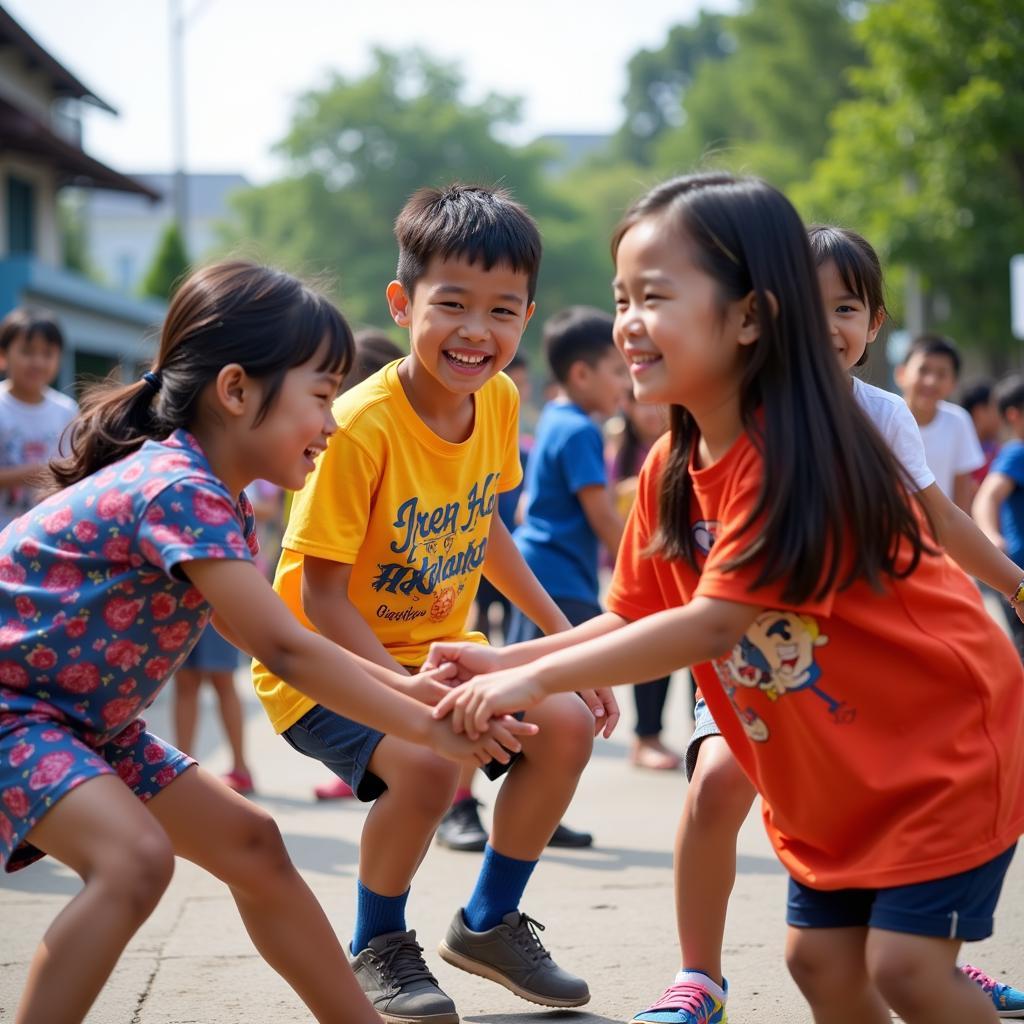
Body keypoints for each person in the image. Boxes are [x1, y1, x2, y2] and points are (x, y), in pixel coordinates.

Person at [426, 174, 1024, 1024]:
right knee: (819, 962)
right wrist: (507, 656)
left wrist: (524, 685)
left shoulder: (792, 455)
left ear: (751, 316)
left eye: (656, 296)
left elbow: (714, 623)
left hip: (943, 752)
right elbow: (632, 613)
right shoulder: (672, 467)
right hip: (839, 772)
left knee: (907, 969)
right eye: (621, 297)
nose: (628, 321)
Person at [0, 260, 529, 1024]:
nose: (335, 421)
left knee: (252, 844)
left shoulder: (213, 497)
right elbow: (284, 649)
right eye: (321, 395)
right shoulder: (178, 488)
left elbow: (281, 642)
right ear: (238, 390)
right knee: (134, 862)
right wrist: (431, 722)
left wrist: (416, 695)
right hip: (18, 710)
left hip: (84, 724)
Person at [252, 184, 617, 1022]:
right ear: (401, 301)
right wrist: (420, 702)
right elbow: (322, 596)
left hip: (438, 651)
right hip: (323, 661)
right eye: (451, 304)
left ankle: (488, 924)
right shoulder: (360, 426)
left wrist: (566, 650)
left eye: (503, 311)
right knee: (425, 760)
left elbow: (485, 524)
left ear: (527, 317)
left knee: (563, 723)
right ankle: (377, 942)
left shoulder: (500, 402)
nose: (476, 332)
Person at [312, 328, 406, 803]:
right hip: (348, 631)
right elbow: (289, 640)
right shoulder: (340, 449)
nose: (331, 424)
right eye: (321, 401)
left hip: (383, 628)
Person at [607, 394, 678, 770]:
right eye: (640, 403)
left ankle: (709, 732)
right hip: (647, 565)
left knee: (706, 662)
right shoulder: (624, 450)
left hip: (687, 565)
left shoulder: (690, 440)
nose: (652, 410)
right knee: (654, 654)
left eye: (657, 403)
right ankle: (645, 736)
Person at [0, 308, 78, 530]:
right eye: (27, 351)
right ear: (3, 356)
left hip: (47, 531)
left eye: (47, 353)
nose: (38, 362)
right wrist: (31, 473)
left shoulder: (67, 411)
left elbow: (73, 470)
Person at [895, 333, 985, 511]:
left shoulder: (958, 421)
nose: (931, 381)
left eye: (942, 374)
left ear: (953, 383)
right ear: (901, 374)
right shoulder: (882, 415)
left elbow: (962, 496)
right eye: (923, 370)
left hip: (939, 533)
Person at [975, 375, 1024, 667]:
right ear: (1014, 415)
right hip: (1019, 572)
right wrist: (991, 535)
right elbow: (987, 496)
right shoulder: (1017, 452)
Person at [172, 622, 252, 794]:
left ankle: (241, 769)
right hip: (180, 607)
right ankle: (182, 769)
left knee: (222, 680)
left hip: (214, 606)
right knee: (184, 684)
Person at [961, 379, 1002, 483]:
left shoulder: (996, 451)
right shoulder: (959, 455)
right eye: (995, 408)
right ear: (980, 412)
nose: (1000, 416)